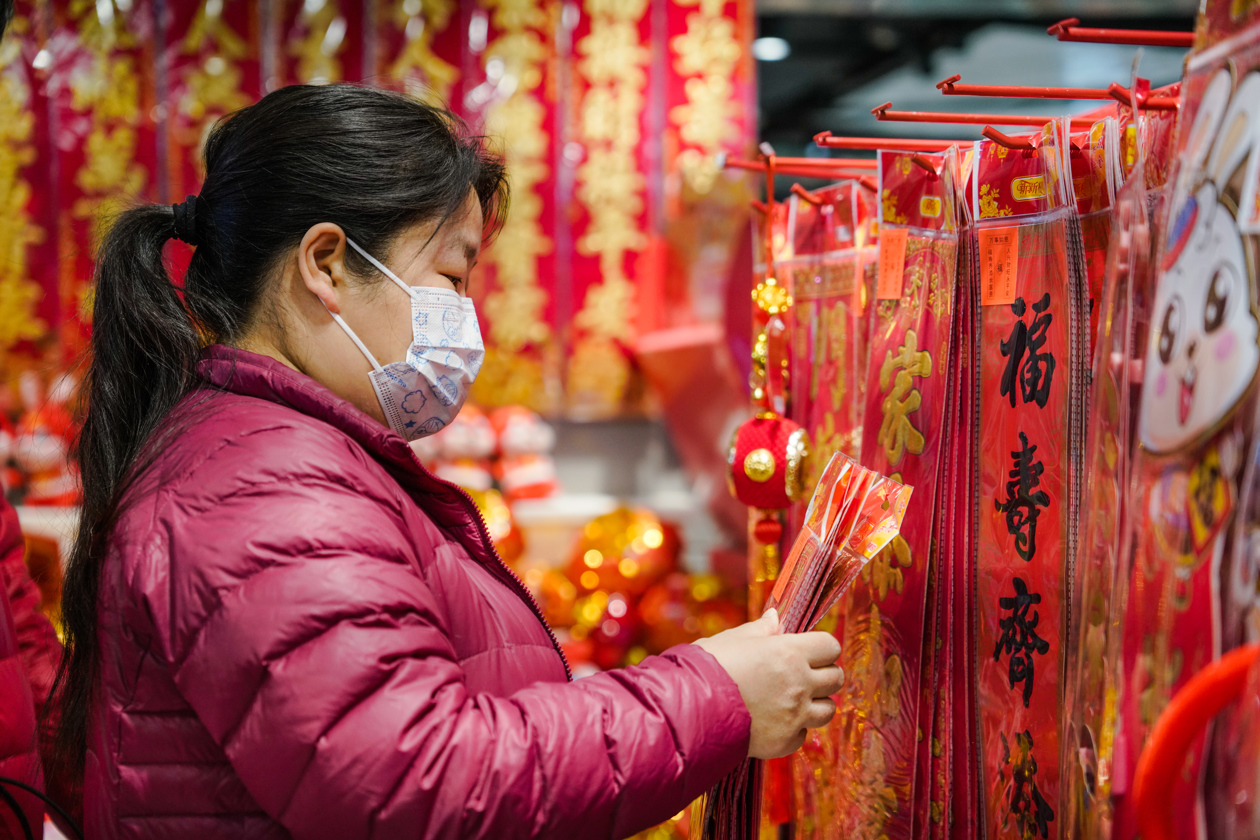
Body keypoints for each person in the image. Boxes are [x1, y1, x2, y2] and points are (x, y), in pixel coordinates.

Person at [50, 84, 844, 840]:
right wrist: (717, 697)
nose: (465, 321)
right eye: (451, 278)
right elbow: (413, 782)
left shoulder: (271, 453)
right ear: (325, 264)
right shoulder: (265, 484)